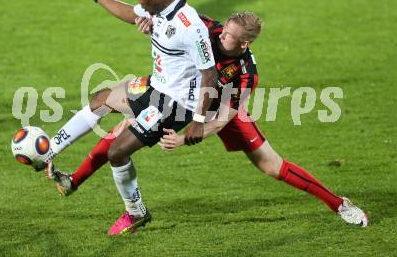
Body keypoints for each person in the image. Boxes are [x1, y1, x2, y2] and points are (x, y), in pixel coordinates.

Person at [54, 12, 368, 232]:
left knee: (272, 166)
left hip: (216, 111)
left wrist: (189, 135)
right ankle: (73, 180)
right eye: (224, 29)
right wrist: (149, 23)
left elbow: (223, 118)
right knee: (110, 108)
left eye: (230, 36)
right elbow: (170, 22)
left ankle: (338, 203)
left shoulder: (245, 73)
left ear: (244, 44)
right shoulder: (206, 26)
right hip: (174, 93)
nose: (222, 36)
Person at [46, 0, 218, 234]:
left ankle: (136, 213)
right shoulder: (158, 10)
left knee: (117, 152)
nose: (139, 3)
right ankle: (50, 150)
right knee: (101, 100)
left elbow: (210, 74)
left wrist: (198, 121)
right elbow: (129, 12)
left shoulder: (190, 26)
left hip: (173, 104)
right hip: (155, 86)